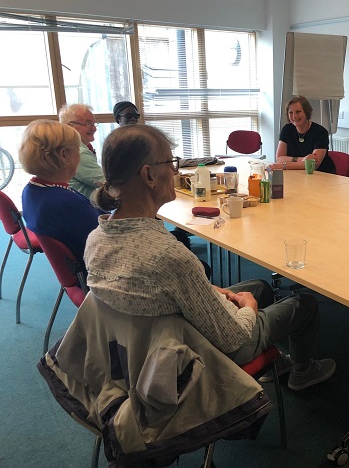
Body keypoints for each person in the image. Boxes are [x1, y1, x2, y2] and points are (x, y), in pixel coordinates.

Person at [85, 124, 336, 391]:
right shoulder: (169, 257)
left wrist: (214, 291)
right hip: (202, 351)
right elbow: (233, 338)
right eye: (170, 162)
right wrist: (248, 307)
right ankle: (303, 371)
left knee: (261, 287)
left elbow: (161, 289)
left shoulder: (96, 240)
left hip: (149, 344)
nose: (175, 170)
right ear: (148, 175)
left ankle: (276, 363)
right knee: (303, 304)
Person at [18, 120, 105, 265]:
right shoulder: (64, 203)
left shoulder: (32, 190)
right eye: (78, 149)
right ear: (64, 155)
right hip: (99, 272)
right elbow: (108, 237)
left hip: (79, 269)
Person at [269, 95, 336, 174]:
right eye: (291, 112)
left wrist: (283, 166)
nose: (294, 116)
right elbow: (279, 158)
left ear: (306, 112)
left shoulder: (320, 132)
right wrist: (300, 159)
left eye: (298, 112)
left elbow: (312, 165)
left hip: (321, 175)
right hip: (297, 175)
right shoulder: (287, 130)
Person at [58, 103, 105, 199]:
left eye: (94, 123)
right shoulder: (78, 152)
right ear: (70, 126)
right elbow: (108, 183)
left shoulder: (65, 146)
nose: (94, 128)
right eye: (88, 123)